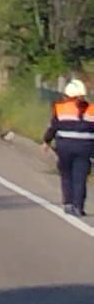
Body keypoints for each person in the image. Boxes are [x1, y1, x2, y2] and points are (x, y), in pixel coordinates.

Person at [42, 78, 94, 217]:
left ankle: (68, 203)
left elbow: (53, 127)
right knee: (80, 177)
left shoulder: (60, 108)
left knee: (66, 175)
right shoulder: (92, 109)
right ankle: (78, 206)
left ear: (67, 95)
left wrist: (46, 141)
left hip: (64, 147)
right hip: (85, 148)